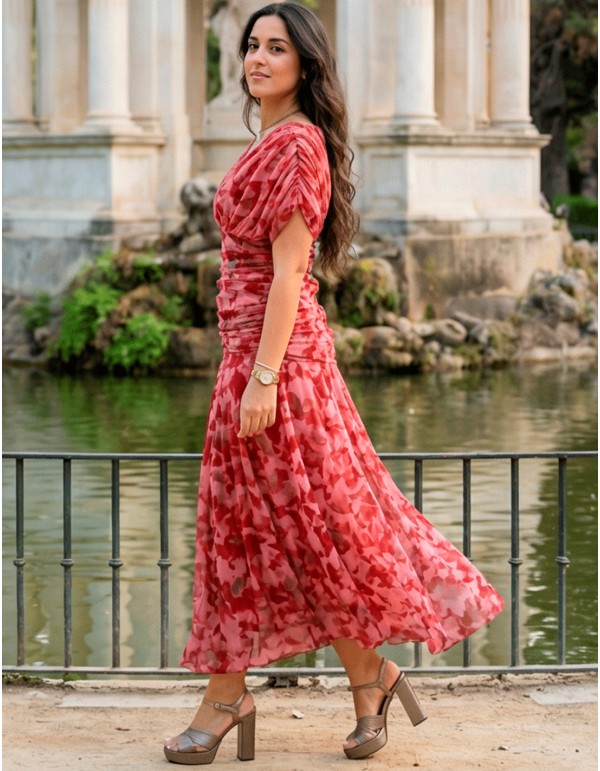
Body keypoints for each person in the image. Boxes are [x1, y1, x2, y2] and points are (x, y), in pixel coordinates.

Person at [164, 2, 504, 765]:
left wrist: (262, 380)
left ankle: (236, 697)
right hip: (250, 359)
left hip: (278, 367)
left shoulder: (297, 146)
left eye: (275, 48)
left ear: (305, 65)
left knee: (315, 531)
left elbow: (290, 273)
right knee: (257, 532)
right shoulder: (273, 139)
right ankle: (364, 677)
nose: (257, 58)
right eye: (251, 45)